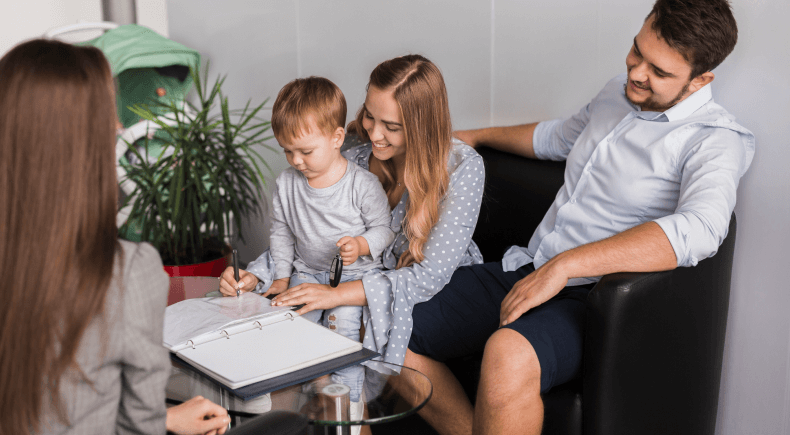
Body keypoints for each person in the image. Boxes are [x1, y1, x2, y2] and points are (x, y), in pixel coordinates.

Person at [399, 1, 755, 434]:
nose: (637, 72)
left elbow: (702, 229)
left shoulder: (715, 140)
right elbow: (558, 137)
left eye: (659, 72)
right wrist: (473, 136)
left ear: (701, 79)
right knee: (388, 318)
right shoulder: (616, 93)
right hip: (529, 267)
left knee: (508, 355)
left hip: (595, 301)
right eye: (637, 51)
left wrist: (567, 265)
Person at [0, 39, 230, 435]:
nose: (120, 128)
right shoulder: (126, 271)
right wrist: (158, 420)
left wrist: (164, 419)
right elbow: (138, 426)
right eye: (109, 118)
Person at [221, 55, 485, 374]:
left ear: (422, 127)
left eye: (392, 127)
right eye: (370, 116)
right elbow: (310, 236)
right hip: (366, 277)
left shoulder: (461, 167)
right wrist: (256, 275)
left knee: (369, 327)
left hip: (445, 286)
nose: (374, 134)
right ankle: (339, 405)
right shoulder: (352, 152)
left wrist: (334, 294)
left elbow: (429, 276)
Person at [220, 76, 395, 412]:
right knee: (290, 325)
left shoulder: (362, 184)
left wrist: (361, 244)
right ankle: (305, 398)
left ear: (336, 139)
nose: (296, 161)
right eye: (288, 151)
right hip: (307, 272)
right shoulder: (287, 184)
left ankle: (349, 404)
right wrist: (281, 277)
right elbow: (282, 233)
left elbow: (384, 230)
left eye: (306, 151)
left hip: (353, 279)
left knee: (343, 331)